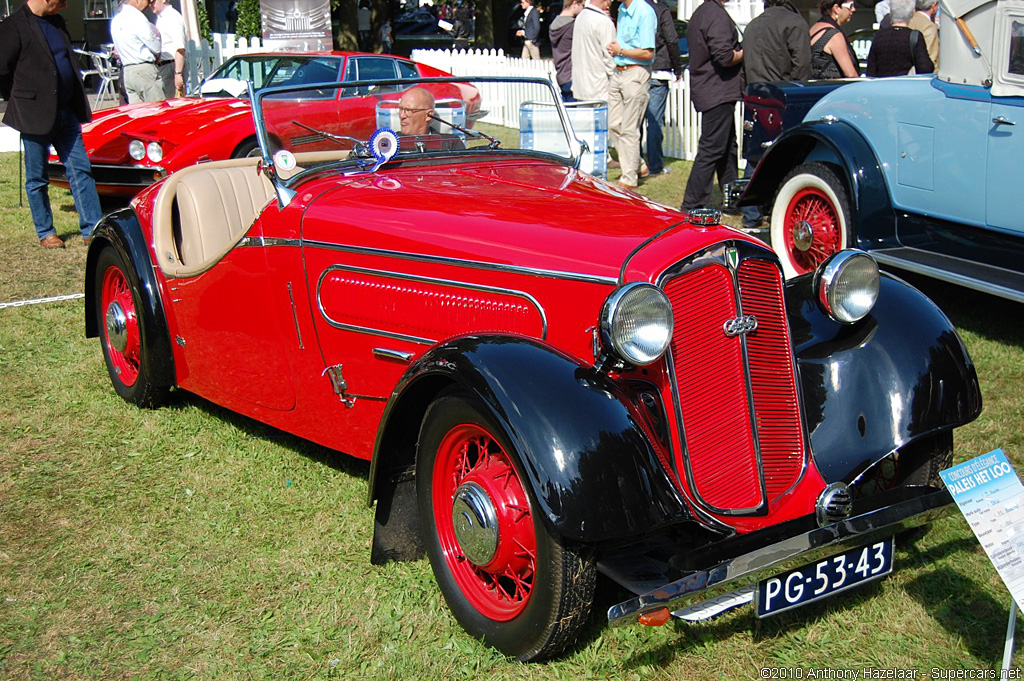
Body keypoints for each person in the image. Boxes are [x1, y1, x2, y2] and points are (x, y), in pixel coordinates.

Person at [0, 0, 103, 248]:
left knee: (81, 169)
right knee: (37, 177)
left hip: (66, 111)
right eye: (61, 1)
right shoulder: (13, 26)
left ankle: (94, 228)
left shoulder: (57, 21)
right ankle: (46, 231)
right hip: (34, 114)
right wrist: (19, 99)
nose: (65, 6)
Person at [740, 0, 811, 227]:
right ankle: (780, 211)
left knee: (754, 156)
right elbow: (803, 66)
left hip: (755, 93)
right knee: (788, 156)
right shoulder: (794, 23)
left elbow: (744, 65)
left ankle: (751, 214)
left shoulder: (752, 25)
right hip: (783, 96)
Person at [679, 0, 743, 211]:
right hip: (717, 89)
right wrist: (746, 50)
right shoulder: (715, 15)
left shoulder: (703, 12)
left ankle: (731, 200)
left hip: (713, 88)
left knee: (727, 147)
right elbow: (725, 56)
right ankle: (692, 203)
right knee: (712, 149)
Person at [605, 0, 656, 189]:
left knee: (629, 128)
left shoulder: (644, 12)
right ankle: (639, 165)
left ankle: (629, 178)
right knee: (613, 124)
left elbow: (648, 53)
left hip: (636, 72)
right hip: (619, 71)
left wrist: (622, 51)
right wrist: (616, 49)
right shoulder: (622, 9)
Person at [643, 0, 682, 177]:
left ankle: (638, 163)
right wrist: (678, 67)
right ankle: (655, 165)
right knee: (654, 122)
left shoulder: (633, 9)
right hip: (658, 70)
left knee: (636, 122)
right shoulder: (661, 10)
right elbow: (672, 40)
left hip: (638, 70)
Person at [111, 0, 164, 103]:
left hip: (128, 71)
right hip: (144, 69)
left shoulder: (116, 20)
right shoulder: (137, 17)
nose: (149, 4)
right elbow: (156, 47)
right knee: (157, 110)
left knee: (138, 113)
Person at [866, 0, 934, 76]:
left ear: (891, 14)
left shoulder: (879, 36)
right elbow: (925, 68)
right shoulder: (914, 36)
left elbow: (871, 69)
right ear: (912, 13)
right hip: (906, 85)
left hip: (883, 84)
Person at [571, 0, 615, 102]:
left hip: (580, 85)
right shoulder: (604, 22)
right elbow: (610, 58)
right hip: (599, 88)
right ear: (606, 2)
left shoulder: (580, 16)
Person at [809, 0, 860, 78]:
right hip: (834, 88)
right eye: (850, 6)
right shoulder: (833, 35)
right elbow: (851, 75)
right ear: (836, 8)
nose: (853, 9)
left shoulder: (814, 28)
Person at [550, 0, 584, 101]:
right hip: (572, 76)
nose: (583, 9)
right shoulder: (572, 26)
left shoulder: (553, 25)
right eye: (582, 5)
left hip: (561, 75)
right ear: (574, 4)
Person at [152, 0, 185, 98]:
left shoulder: (172, 17)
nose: (150, 4)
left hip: (171, 65)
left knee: (173, 104)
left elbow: (180, 48)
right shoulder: (161, 18)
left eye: (153, 1)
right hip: (163, 66)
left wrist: (178, 73)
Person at [908, 0, 939, 69]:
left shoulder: (907, 21)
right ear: (934, 4)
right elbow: (931, 58)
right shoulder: (929, 26)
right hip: (925, 75)